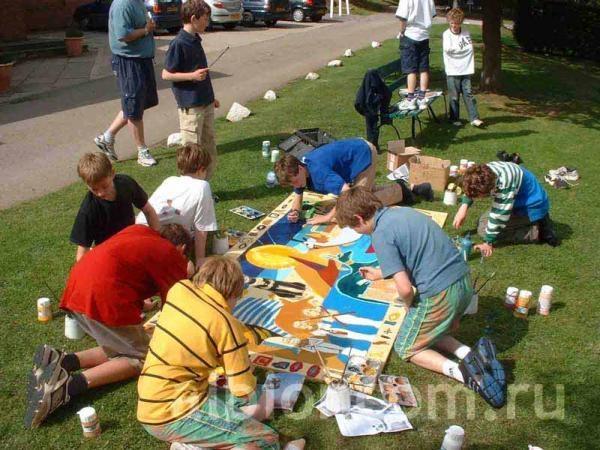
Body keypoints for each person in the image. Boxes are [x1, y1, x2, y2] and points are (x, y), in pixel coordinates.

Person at [335, 187, 506, 408]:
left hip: (441, 295)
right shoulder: (401, 212)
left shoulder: (380, 234)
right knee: (426, 331)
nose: (357, 232)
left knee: (407, 346)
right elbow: (414, 253)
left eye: (353, 227)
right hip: (463, 283)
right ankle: (470, 354)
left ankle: (463, 373)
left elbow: (405, 290)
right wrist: (380, 272)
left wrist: (409, 307)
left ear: (359, 218)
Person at [24, 224, 195, 429]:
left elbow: (122, 268)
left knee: (120, 345)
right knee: (141, 357)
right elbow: (179, 304)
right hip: (101, 298)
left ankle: (63, 360)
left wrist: (141, 303)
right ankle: (67, 387)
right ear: (182, 248)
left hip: (77, 289)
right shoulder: (171, 254)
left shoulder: (140, 231)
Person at [137, 256, 305, 450]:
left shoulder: (178, 290)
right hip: (172, 413)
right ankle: (192, 444)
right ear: (234, 294)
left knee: (262, 401)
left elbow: (200, 331)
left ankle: (199, 440)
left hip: (154, 397)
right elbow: (241, 389)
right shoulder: (226, 325)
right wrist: (243, 364)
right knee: (265, 438)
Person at [273, 138, 433, 225]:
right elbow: (298, 193)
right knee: (362, 193)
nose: (295, 186)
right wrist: (295, 211)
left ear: (300, 169)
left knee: (358, 204)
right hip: (353, 154)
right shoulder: (300, 170)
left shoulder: (319, 173)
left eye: (294, 181)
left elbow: (347, 194)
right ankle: (410, 188)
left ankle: (404, 191)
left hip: (363, 153)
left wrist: (327, 218)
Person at [94, 0, 159, 167]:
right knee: (134, 104)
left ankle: (106, 137)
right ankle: (142, 151)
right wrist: (146, 30)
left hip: (141, 60)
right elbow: (123, 35)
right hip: (128, 62)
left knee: (137, 102)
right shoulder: (123, 4)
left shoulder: (138, 2)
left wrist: (148, 27)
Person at [162, 0, 220, 180]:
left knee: (209, 147)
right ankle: (191, 190)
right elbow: (166, 74)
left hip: (206, 102)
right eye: (205, 19)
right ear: (194, 18)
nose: (207, 22)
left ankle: (205, 187)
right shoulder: (178, 43)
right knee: (193, 152)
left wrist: (211, 97)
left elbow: (203, 74)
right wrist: (191, 76)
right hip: (191, 107)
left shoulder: (196, 39)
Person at [453, 161, 559, 257]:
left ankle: (537, 231)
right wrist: (463, 208)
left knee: (484, 230)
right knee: (483, 222)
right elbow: (472, 185)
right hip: (519, 199)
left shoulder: (505, 187)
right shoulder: (485, 171)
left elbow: (499, 216)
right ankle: (535, 222)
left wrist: (487, 243)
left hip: (532, 206)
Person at [136, 144, 217, 266]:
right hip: (156, 237)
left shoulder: (170, 180)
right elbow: (202, 227)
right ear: (201, 169)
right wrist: (200, 259)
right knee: (187, 267)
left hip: (138, 230)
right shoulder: (203, 186)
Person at [71, 152, 160, 262]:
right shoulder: (89, 209)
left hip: (130, 241)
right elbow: (81, 254)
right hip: (108, 253)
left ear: (112, 173)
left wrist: (158, 239)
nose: (100, 193)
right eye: (94, 189)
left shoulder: (126, 184)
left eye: (105, 186)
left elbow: (148, 210)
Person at [443, 8, 483, 127]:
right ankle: (454, 118)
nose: (454, 25)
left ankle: (474, 118)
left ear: (460, 22)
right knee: (454, 96)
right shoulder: (446, 34)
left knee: (469, 94)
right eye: (452, 23)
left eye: (457, 23)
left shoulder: (466, 33)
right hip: (452, 70)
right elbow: (448, 50)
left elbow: (469, 49)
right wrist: (460, 50)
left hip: (466, 69)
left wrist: (458, 50)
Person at [396, 0, 437, 111]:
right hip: (424, 35)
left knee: (411, 70)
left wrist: (402, 32)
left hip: (410, 35)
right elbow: (431, 14)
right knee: (423, 68)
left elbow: (403, 18)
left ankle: (410, 99)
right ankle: (422, 97)